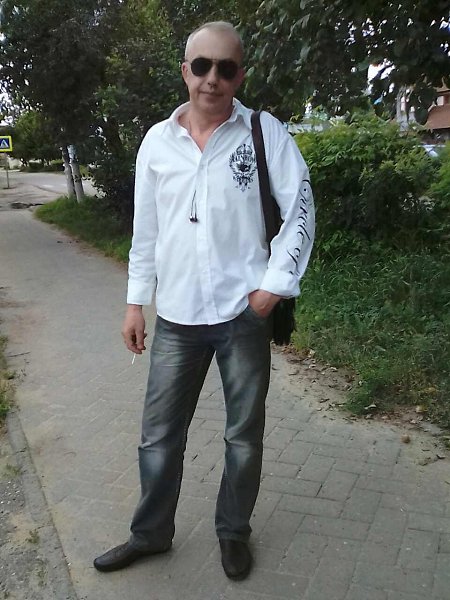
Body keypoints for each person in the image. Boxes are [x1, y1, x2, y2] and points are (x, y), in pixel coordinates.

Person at [93, 21, 315, 581]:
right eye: (201, 66)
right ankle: (150, 535)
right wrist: (135, 303)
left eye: (226, 68)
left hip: (244, 315)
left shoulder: (264, 133)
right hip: (176, 317)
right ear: (185, 71)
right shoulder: (156, 142)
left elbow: (300, 209)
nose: (212, 78)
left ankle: (233, 532)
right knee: (158, 436)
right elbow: (145, 231)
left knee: (243, 436)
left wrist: (273, 287)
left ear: (240, 75)